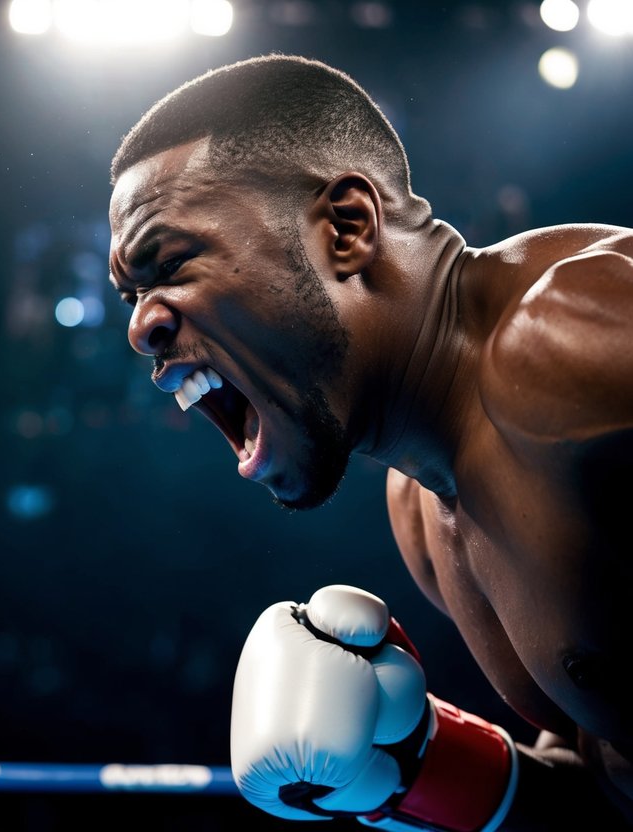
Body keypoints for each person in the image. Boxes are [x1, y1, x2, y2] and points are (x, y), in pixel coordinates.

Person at [108, 55, 631, 829]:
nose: (140, 324)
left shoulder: (579, 340)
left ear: (346, 228)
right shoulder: (421, 506)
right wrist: (413, 764)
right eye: (131, 293)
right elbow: (608, 789)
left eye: (172, 263)